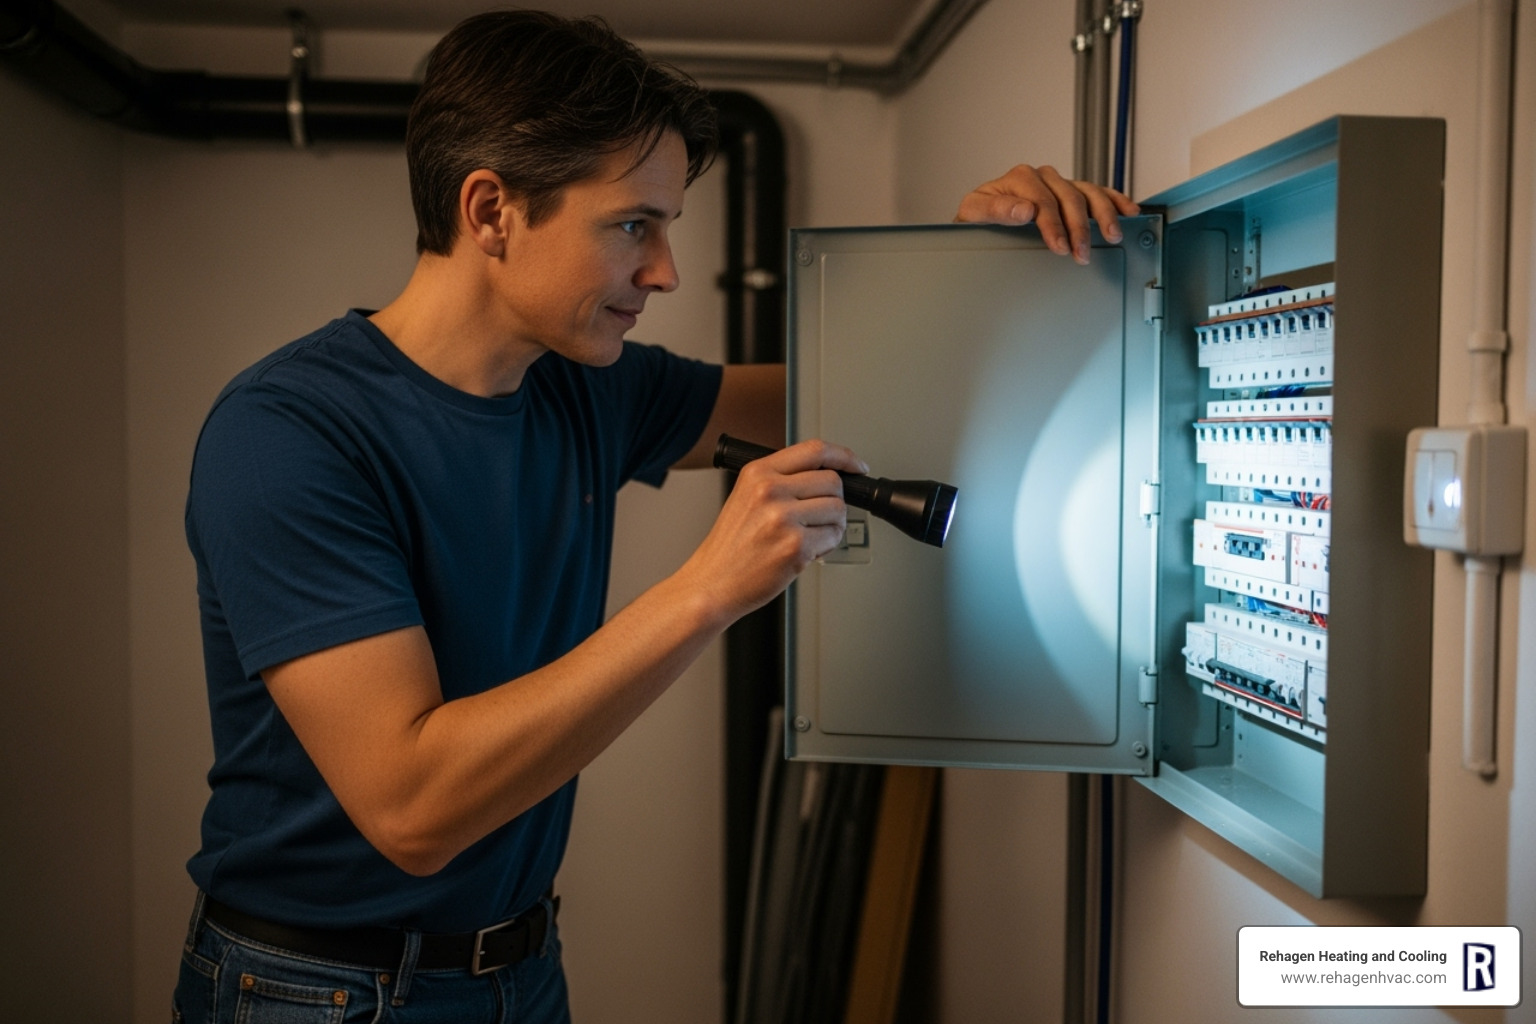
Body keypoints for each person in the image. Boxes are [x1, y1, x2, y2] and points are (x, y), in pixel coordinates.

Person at [172, 10, 1138, 1023]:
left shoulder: (582, 387)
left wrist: (980, 268)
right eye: (634, 224)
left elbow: (857, 389)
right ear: (491, 210)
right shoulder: (288, 434)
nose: (666, 269)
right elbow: (414, 808)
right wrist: (705, 592)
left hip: (520, 968)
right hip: (314, 992)